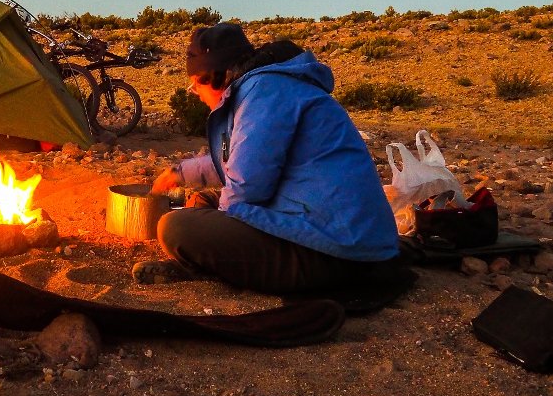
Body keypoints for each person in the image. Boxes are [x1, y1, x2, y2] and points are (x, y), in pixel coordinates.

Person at [132, 23, 402, 295]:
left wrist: (213, 222)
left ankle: (208, 264)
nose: (197, 95)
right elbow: (238, 161)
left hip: (337, 254)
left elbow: (245, 188)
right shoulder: (272, 87)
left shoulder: (264, 93)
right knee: (203, 203)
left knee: (175, 227)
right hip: (343, 233)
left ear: (214, 77)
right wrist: (178, 173)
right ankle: (209, 259)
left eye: (195, 86)